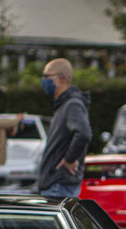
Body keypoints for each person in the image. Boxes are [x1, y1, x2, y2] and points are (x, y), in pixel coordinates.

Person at [37, 58, 92, 198]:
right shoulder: (64, 105)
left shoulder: (72, 105)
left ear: (59, 78)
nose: (43, 81)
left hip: (59, 184)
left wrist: (69, 159)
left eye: (46, 76)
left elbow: (84, 133)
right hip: (58, 183)